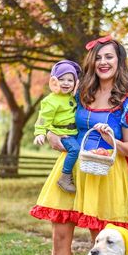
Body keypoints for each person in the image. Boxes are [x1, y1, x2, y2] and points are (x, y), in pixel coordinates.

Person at [30, 35, 128, 255]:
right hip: (73, 169)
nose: (104, 62)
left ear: (119, 62)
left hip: (106, 174)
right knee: (60, 238)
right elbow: (56, 120)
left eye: (110, 57)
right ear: (92, 62)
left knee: (104, 245)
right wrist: (54, 138)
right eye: (99, 57)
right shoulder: (79, 93)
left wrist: (112, 140)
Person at [34, 60, 81, 193]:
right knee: (74, 150)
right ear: (54, 81)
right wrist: (40, 132)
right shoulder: (51, 100)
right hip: (62, 133)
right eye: (61, 79)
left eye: (70, 80)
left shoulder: (73, 96)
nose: (66, 83)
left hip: (75, 131)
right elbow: (43, 118)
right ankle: (65, 177)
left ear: (75, 83)